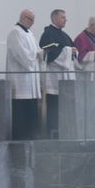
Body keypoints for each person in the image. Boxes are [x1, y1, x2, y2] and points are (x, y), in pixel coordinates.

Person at [6, 9, 43, 140]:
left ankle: (32, 135)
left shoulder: (30, 34)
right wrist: (36, 55)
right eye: (30, 19)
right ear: (23, 18)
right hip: (20, 80)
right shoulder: (15, 32)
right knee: (21, 111)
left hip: (31, 81)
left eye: (33, 20)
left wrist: (42, 53)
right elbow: (21, 55)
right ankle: (21, 137)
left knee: (31, 109)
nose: (32, 23)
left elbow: (37, 52)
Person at [39, 9, 75, 139]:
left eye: (65, 17)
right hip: (55, 77)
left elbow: (71, 50)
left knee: (64, 106)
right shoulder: (48, 34)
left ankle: (65, 131)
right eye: (63, 17)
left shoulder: (64, 35)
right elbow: (49, 54)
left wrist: (72, 51)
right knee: (54, 105)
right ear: (54, 19)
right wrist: (69, 51)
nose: (66, 20)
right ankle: (52, 133)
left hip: (65, 76)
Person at [73, 16, 95, 81]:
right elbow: (79, 57)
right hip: (91, 70)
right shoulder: (81, 38)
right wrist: (94, 54)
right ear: (91, 25)